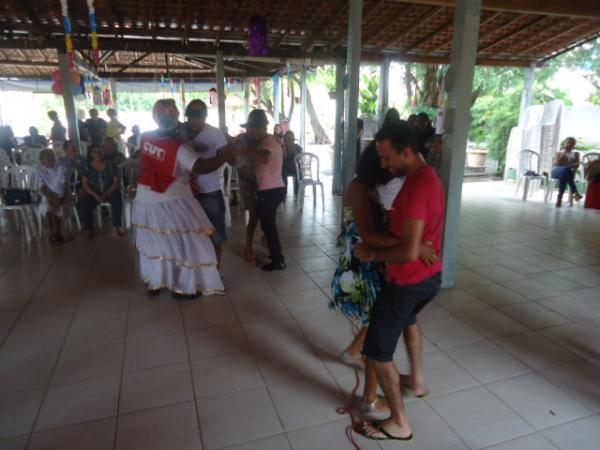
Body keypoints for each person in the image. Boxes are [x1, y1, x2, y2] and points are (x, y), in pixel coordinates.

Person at [355, 121, 444, 441]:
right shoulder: (423, 177)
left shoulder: (418, 185)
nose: (384, 164)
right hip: (428, 278)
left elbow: (406, 251)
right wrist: (412, 246)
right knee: (409, 321)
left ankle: (399, 422)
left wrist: (372, 255)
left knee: (377, 352)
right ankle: (416, 382)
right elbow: (409, 242)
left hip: (406, 282)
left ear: (407, 152)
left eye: (387, 157)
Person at [331, 142, 434, 415]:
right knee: (378, 333)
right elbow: (370, 236)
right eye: (385, 162)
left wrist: (410, 241)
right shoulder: (359, 187)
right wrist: (416, 244)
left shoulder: (385, 186)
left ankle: (355, 354)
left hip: (381, 259)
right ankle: (370, 399)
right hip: (366, 261)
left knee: (384, 324)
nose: (391, 167)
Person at [133, 99, 236, 299]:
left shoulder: (144, 137)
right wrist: (227, 154)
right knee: (193, 242)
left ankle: (155, 282)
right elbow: (201, 167)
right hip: (173, 201)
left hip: (145, 199)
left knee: (156, 240)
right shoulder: (179, 147)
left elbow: (140, 157)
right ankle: (186, 288)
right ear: (179, 118)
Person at [181, 99, 229, 266]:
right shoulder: (180, 132)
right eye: (191, 117)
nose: (194, 121)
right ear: (186, 116)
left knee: (215, 233)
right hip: (184, 191)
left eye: (199, 117)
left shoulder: (214, 133)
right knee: (190, 233)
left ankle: (215, 270)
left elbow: (226, 156)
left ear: (205, 116)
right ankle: (197, 269)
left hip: (209, 190)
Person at [238, 109, 286, 271]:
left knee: (268, 226)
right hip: (271, 189)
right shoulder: (269, 141)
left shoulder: (268, 142)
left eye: (252, 129)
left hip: (271, 190)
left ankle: (277, 260)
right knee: (267, 224)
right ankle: (276, 256)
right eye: (248, 129)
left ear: (261, 128)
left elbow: (264, 158)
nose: (250, 132)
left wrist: (245, 150)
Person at [81, 145, 124, 238]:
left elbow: (116, 181)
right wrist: (95, 195)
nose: (98, 154)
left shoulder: (110, 164)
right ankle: (88, 228)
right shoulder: (87, 166)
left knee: (117, 198)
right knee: (86, 201)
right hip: (94, 192)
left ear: (103, 152)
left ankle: (116, 227)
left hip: (110, 191)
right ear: (91, 154)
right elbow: (85, 184)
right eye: (95, 152)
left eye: (100, 151)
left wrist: (107, 193)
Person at [37, 149, 68, 244]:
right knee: (47, 208)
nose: (51, 160)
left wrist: (61, 198)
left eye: (52, 157)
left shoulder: (60, 168)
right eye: (47, 158)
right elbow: (42, 187)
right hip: (48, 196)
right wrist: (51, 198)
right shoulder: (40, 171)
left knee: (60, 207)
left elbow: (65, 185)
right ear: (42, 161)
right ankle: (51, 233)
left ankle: (57, 231)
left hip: (63, 195)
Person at [551, 137, 583, 207]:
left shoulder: (576, 153)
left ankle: (559, 199)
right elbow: (557, 163)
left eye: (572, 143)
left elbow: (577, 165)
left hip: (568, 173)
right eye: (568, 143)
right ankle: (575, 193)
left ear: (574, 145)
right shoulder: (559, 152)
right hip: (556, 172)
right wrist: (565, 152)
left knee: (564, 175)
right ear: (565, 143)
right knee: (566, 170)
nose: (570, 144)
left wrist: (566, 166)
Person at [282, 130, 302, 196]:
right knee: (283, 173)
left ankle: (297, 193)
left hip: (295, 167)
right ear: (285, 139)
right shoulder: (282, 147)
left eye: (291, 138)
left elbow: (300, 157)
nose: (290, 140)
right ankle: (283, 194)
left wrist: (295, 152)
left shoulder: (297, 147)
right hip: (285, 167)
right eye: (288, 138)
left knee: (299, 172)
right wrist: (288, 151)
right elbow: (282, 158)